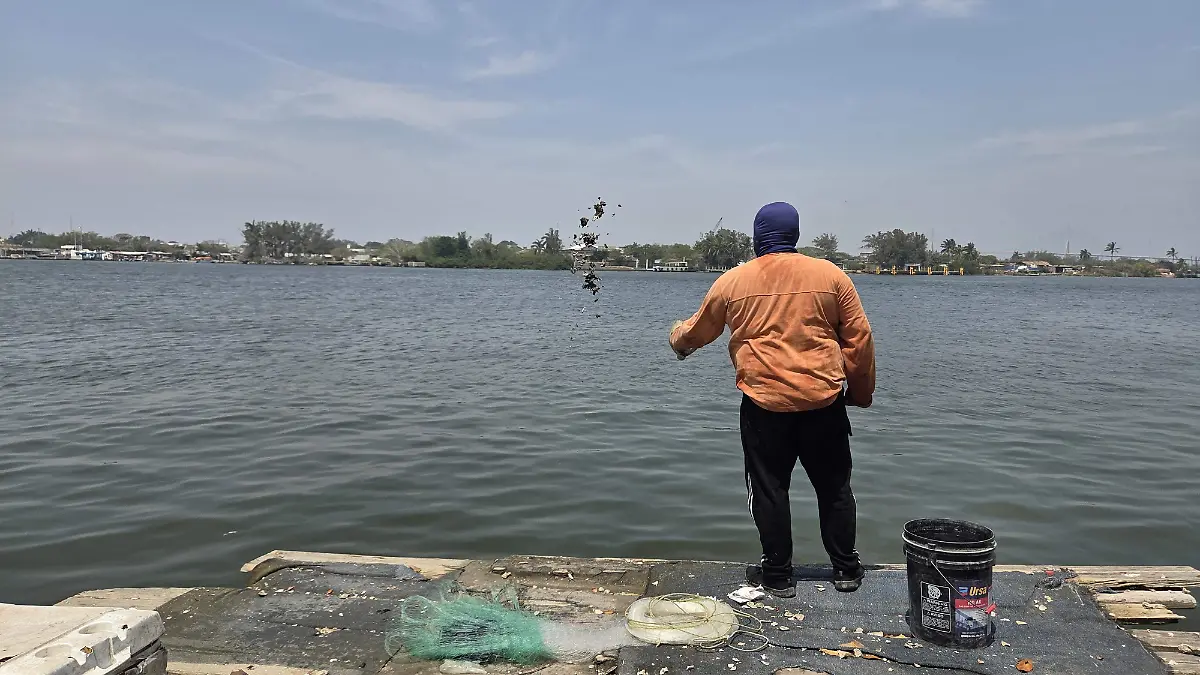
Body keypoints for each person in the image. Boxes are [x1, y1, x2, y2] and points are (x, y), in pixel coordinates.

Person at [669, 201, 876, 597]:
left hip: (764, 405)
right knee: (834, 488)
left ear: (756, 237)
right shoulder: (832, 276)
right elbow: (859, 339)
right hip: (824, 402)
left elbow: (697, 331)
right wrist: (860, 392)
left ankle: (779, 576)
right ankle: (846, 570)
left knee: (769, 490)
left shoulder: (733, 281)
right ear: (795, 235)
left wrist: (677, 340)